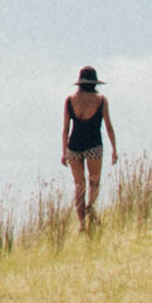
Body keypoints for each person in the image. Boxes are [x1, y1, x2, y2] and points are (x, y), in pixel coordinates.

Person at [61, 66, 118, 229]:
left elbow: (65, 128)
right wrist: (114, 148)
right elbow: (108, 126)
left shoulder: (70, 100)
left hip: (74, 146)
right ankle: (90, 207)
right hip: (94, 144)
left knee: (79, 186)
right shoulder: (100, 100)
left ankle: (82, 224)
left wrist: (63, 152)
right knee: (94, 181)